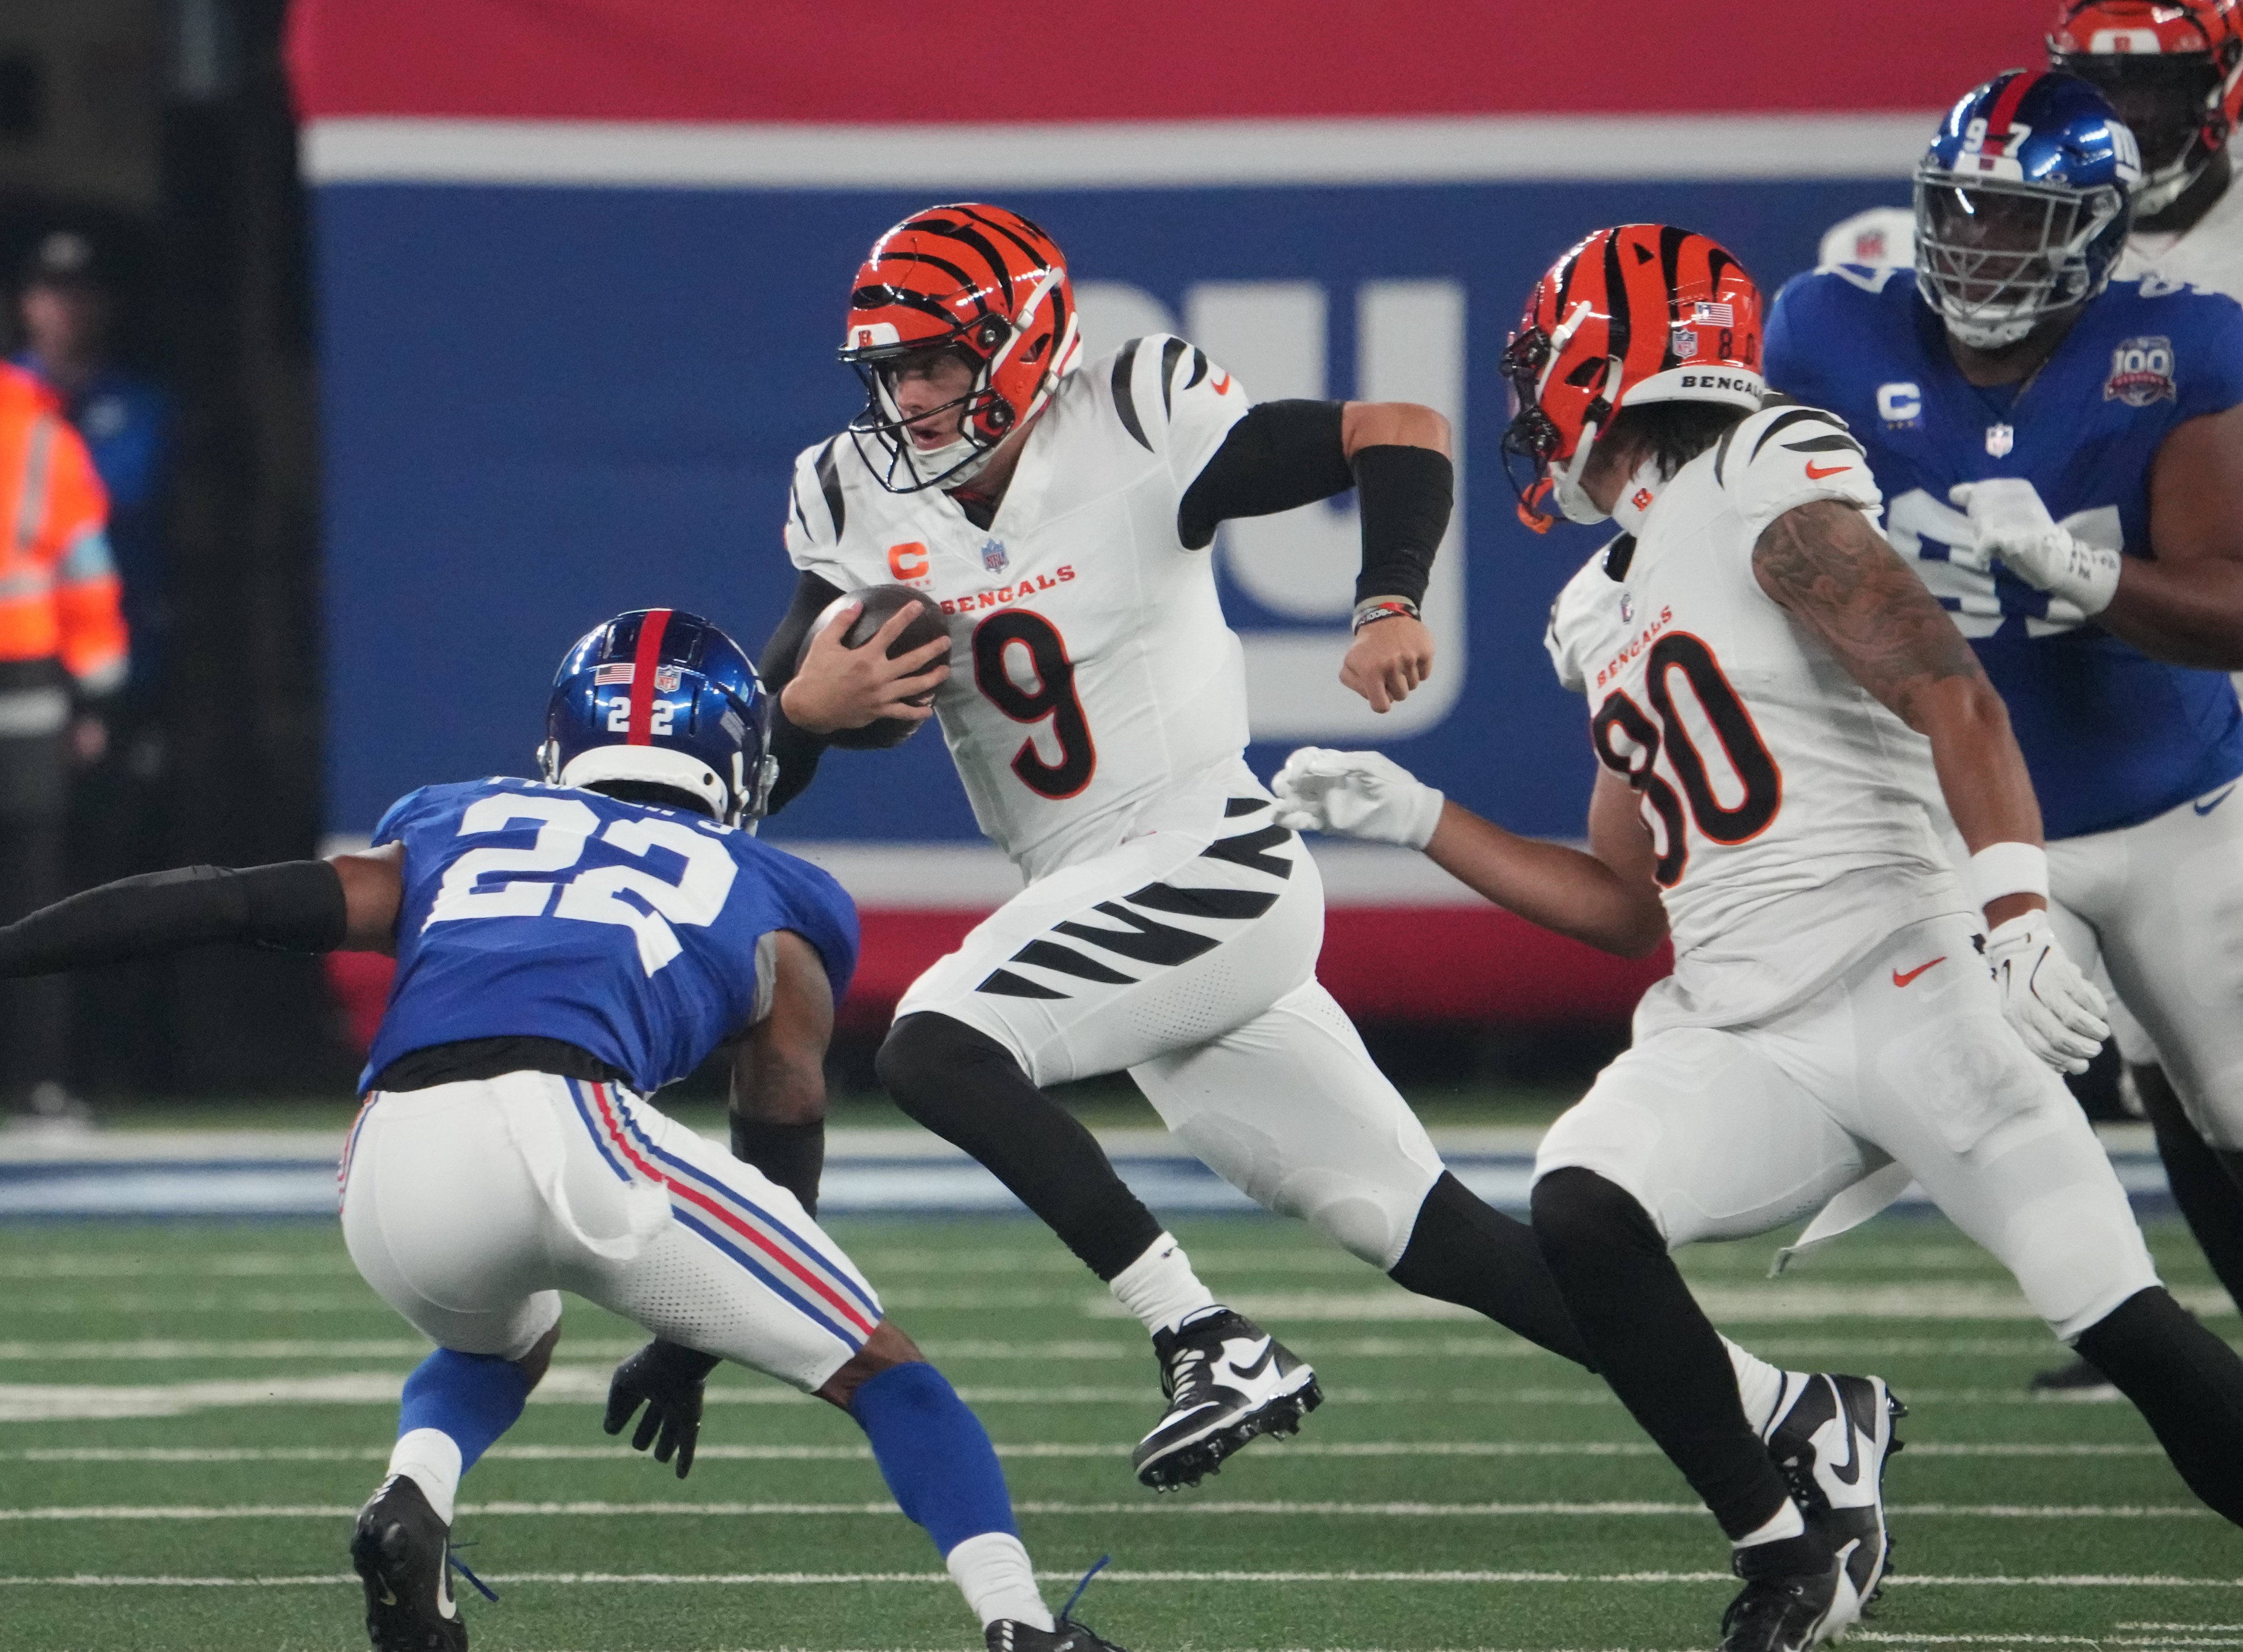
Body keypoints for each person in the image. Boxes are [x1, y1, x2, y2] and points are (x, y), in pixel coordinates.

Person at [606, 203, 1884, 1514]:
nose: (916, 396)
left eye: (942, 359)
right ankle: (1790, 1408)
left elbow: (1402, 433)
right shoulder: (848, 492)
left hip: (1205, 850)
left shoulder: (1133, 408)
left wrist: (1387, 596)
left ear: (1033, 336)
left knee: (937, 1044)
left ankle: (1203, 1336)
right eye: (894, 367)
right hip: (1090, 896)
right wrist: (800, 717)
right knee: (1427, 1229)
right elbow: (758, 763)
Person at [1274, 218, 2243, 1652]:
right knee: (1584, 1201)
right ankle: (1792, 1533)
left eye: (1550, 359)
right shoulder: (1602, 595)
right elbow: (1621, 905)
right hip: (1739, 1022)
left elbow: (1951, 690)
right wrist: (1419, 816)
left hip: (1907, 975)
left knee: (2128, 1328)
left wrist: (2016, 900)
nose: (1530, 393)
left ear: (1620, 355)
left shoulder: (1761, 473)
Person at [0, 608, 1121, 1652]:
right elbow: (782, 1120)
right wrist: (694, 1345)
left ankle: (416, 1496)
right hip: (573, 1122)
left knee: (505, 1335)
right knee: (892, 1379)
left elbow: (223, 901)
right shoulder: (777, 886)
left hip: (391, 1164)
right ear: (741, 759)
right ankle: (1019, 1624)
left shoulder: (455, 822)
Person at [1781, 61, 2243, 1396]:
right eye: (1964, 209)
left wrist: (2084, 570)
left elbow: (2230, 607)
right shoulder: (1825, 331)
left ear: (2099, 230)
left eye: (2020, 218)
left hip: (2167, 802)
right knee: (1974, 1112)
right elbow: (1754, 530)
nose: (1982, 244)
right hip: (1954, 808)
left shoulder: (2183, 341)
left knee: (2230, 1102)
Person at [0, 359, 126, 1123]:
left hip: (29, 687)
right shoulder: (44, 437)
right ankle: (44, 1083)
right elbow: (88, 575)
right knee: (38, 895)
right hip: (31, 685)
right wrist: (101, 696)